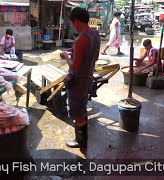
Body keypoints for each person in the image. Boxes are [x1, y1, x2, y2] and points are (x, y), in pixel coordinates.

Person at [60, 7, 100, 148]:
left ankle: (80, 141)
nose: (72, 26)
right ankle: (84, 139)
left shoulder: (80, 40)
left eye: (71, 23)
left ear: (76, 21)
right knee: (82, 107)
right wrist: (75, 52)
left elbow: (75, 67)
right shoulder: (95, 34)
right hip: (88, 77)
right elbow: (95, 56)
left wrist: (66, 56)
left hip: (78, 81)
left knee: (77, 111)